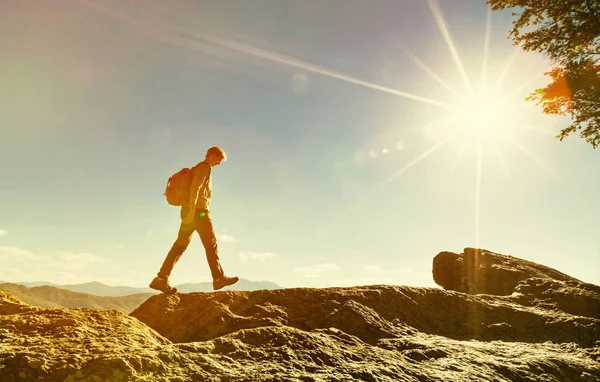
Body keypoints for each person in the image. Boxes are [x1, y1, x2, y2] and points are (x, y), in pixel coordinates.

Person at [149, 146, 239, 294]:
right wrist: (192, 211)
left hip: (189, 210)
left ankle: (161, 279)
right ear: (212, 155)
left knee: (180, 245)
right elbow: (196, 187)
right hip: (198, 212)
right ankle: (218, 278)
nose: (219, 163)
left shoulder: (198, 167)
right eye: (219, 159)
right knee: (211, 244)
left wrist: (188, 211)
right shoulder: (204, 167)